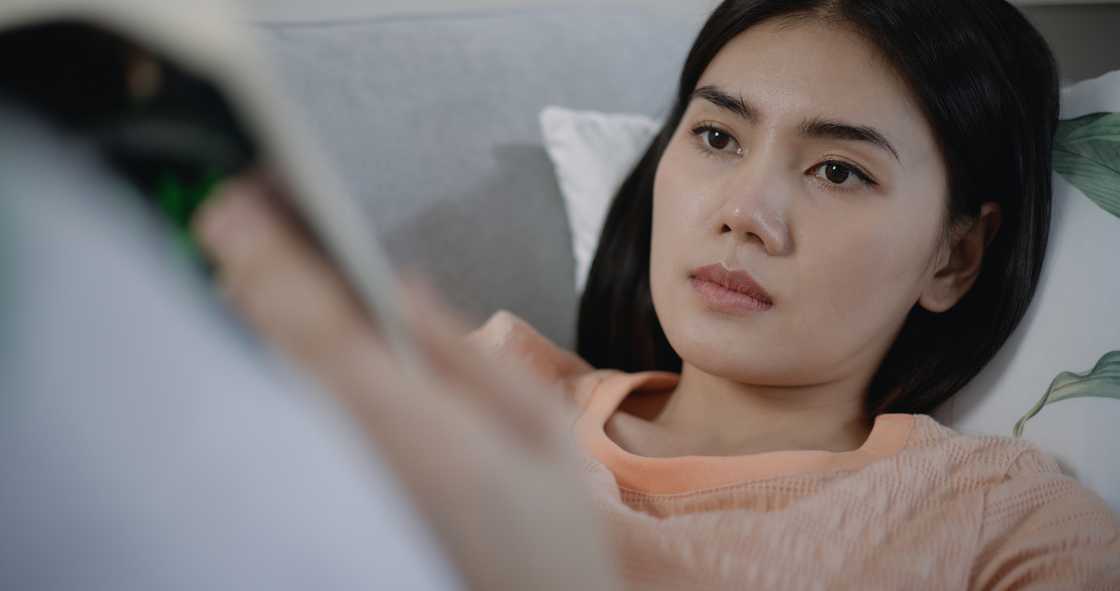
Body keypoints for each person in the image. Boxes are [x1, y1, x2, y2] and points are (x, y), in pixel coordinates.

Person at [196, 0, 1120, 588]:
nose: (745, 213)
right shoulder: (489, 382)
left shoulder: (996, 519)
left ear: (955, 258)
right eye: (717, 137)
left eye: (838, 170)